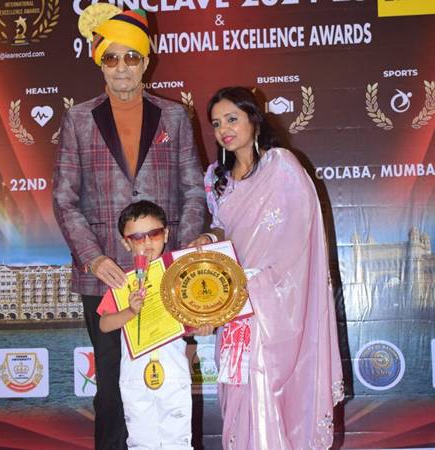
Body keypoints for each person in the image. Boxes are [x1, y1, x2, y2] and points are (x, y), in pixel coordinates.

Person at [52, 5, 205, 449]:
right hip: (105, 278)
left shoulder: (174, 117)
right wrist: (93, 257)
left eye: (131, 57)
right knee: (112, 389)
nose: (122, 67)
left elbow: (194, 191)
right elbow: (64, 198)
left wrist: (176, 258)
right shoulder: (78, 119)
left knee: (167, 380)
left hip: (164, 276)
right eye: (111, 57)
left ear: (146, 60)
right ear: (100, 62)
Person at [192, 87, 344, 450]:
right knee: (236, 391)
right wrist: (208, 238)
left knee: (263, 385)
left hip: (271, 304)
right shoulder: (217, 178)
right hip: (232, 303)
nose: (224, 130)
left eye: (232, 119)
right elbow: (223, 229)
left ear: (254, 120)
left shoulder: (282, 166)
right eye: (216, 123)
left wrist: (258, 284)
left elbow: (301, 233)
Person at [97, 200, 212, 450]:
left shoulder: (179, 278)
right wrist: (130, 311)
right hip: (134, 376)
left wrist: (203, 327)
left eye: (154, 234)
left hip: (173, 373)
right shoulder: (122, 283)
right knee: (141, 441)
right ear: (126, 243)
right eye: (137, 237)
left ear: (166, 234)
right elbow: (105, 324)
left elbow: (191, 322)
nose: (147, 242)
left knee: (178, 441)